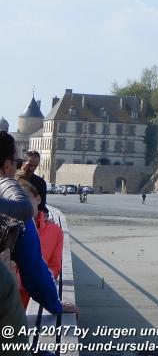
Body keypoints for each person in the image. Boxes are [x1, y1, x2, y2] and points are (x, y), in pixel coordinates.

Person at [0, 132, 75, 316]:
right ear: (8, 164)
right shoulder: (10, 193)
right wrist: (55, 305)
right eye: (16, 161)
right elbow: (34, 270)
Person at [14, 178, 62, 309]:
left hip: (35, 301)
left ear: (38, 199)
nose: (21, 204)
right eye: (16, 200)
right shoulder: (7, 228)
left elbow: (55, 267)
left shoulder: (55, 231)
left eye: (26, 198)